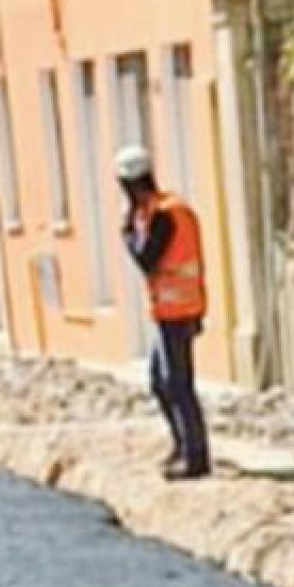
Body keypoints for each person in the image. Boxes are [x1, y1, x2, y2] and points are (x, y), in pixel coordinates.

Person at [116, 144, 211, 480]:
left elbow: (147, 259)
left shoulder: (165, 216)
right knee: (160, 381)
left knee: (177, 383)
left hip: (178, 310)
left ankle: (196, 456)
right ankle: (182, 446)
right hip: (172, 308)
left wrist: (127, 233)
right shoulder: (162, 209)